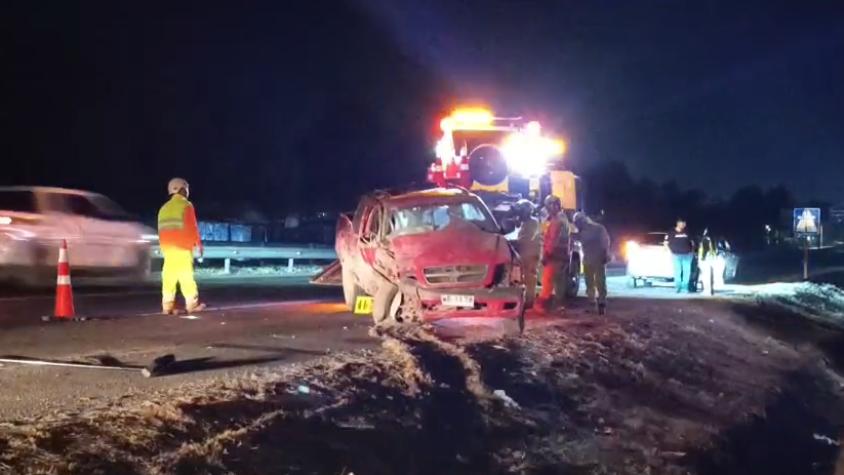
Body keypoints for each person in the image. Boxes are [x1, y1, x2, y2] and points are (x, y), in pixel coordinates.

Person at [158, 178, 205, 314]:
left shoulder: (163, 208)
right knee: (186, 276)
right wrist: (198, 245)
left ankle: (167, 306)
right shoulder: (186, 205)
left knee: (169, 277)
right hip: (182, 247)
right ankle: (192, 305)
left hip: (167, 248)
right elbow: (192, 227)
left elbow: (161, 230)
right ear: (182, 189)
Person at [536, 195, 572, 314]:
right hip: (562, 256)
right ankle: (559, 306)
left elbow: (552, 240)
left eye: (549, 206)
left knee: (547, 280)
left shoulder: (556, 221)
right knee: (559, 282)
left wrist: (546, 254)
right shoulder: (564, 219)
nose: (549, 209)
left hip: (554, 256)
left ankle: (542, 306)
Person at [573, 212, 611, 315]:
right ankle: (592, 303)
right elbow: (578, 239)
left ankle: (602, 303)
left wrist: (606, 254)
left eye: (577, 223)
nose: (577, 225)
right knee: (589, 282)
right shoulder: (583, 231)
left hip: (598, 258)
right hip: (588, 259)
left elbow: (605, 241)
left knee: (600, 281)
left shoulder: (597, 229)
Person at [514, 199, 541, 308]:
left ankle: (529, 302)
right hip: (526, 254)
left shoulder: (532, 223)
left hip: (530, 254)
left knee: (530, 279)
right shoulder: (526, 223)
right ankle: (526, 300)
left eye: (520, 212)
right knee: (525, 279)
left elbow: (523, 239)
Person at [666, 218, 694, 293]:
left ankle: (685, 288)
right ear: (678, 223)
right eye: (683, 223)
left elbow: (692, 242)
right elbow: (666, 243)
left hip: (687, 255)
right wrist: (670, 251)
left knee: (686, 271)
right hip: (676, 255)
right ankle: (678, 287)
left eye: (685, 224)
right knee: (677, 271)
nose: (684, 225)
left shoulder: (687, 231)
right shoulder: (671, 232)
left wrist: (692, 251)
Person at [697, 229, 725, 295]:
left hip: (706, 260)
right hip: (712, 259)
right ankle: (710, 290)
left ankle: (707, 290)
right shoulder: (713, 240)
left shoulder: (705, 240)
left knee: (705, 275)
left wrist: (701, 259)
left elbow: (704, 250)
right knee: (710, 275)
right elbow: (715, 250)